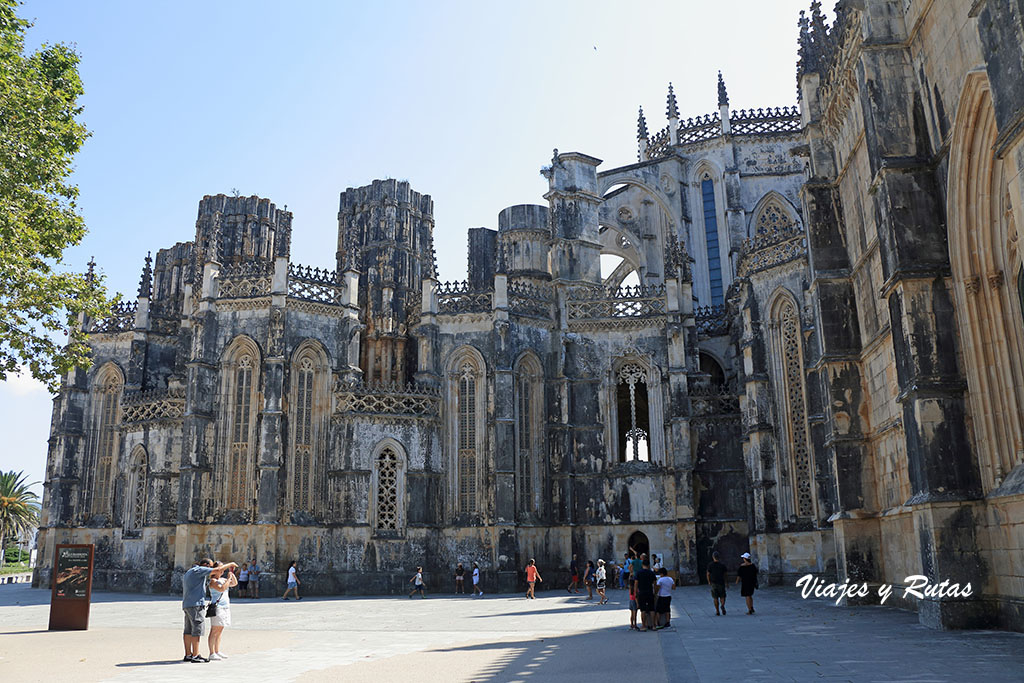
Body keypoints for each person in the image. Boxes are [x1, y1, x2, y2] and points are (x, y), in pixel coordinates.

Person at [181, 558, 236, 663]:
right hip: (196, 604)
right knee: (196, 630)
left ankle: (188, 654)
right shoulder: (200, 570)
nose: (211, 569)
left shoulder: (190, 571)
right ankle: (196, 655)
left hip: (187, 603)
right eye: (210, 567)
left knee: (188, 630)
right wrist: (230, 564)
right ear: (205, 565)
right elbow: (218, 569)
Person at [208, 562, 238, 660]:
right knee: (214, 630)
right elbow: (221, 589)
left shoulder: (222, 579)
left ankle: (217, 650)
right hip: (217, 607)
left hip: (225, 606)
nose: (222, 571)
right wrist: (228, 580)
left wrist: (231, 575)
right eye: (220, 569)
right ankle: (211, 653)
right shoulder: (213, 581)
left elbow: (234, 584)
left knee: (220, 630)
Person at [633, 558, 658, 631]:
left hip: (642, 592)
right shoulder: (651, 573)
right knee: (652, 609)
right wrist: (655, 592)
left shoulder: (638, 573)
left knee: (643, 609)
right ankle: (653, 626)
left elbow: (636, 584)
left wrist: (635, 593)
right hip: (650, 592)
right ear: (648, 565)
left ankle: (644, 626)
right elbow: (655, 584)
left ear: (642, 565)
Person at [707, 551, 727, 615]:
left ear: (713, 557)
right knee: (722, 596)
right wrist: (726, 582)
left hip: (714, 583)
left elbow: (708, 574)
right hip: (721, 582)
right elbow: (725, 574)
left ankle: (717, 611)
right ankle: (722, 605)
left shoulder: (710, 565)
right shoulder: (722, 565)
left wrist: (709, 581)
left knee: (715, 597)